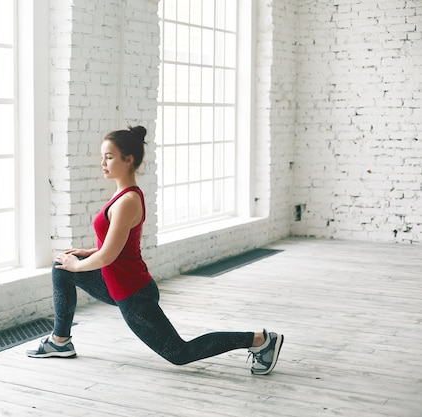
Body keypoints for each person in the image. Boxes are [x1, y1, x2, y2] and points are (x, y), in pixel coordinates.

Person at [26, 125, 284, 375]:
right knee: (62, 268)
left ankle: (261, 340)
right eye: (102, 157)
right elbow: (116, 245)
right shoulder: (123, 195)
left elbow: (110, 255)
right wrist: (86, 252)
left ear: (128, 160)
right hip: (115, 284)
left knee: (179, 353)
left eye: (109, 157)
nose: (103, 163)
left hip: (133, 294)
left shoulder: (127, 200)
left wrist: (80, 264)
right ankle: (60, 341)